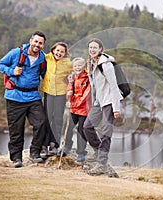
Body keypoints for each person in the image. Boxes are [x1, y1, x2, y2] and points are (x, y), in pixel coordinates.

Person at [0, 31, 48, 168]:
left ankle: (35, 153)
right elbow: (0, 64)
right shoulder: (16, 53)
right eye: (35, 41)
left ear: (43, 45)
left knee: (41, 122)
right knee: (16, 129)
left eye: (40, 43)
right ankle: (16, 158)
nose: (37, 44)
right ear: (31, 40)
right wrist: (12, 71)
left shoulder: (42, 59)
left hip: (33, 97)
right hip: (15, 96)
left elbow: (46, 76)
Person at [83, 38, 123, 175]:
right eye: (90, 48)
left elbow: (114, 86)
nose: (92, 50)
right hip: (98, 102)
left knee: (106, 132)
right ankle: (99, 152)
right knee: (87, 127)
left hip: (110, 102)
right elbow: (95, 86)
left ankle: (101, 164)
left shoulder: (106, 65)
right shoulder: (91, 64)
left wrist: (116, 108)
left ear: (100, 49)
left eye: (95, 47)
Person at [41, 42, 74, 156]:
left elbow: (78, 69)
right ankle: (43, 145)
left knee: (58, 119)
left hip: (61, 94)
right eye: (57, 50)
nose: (59, 53)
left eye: (62, 51)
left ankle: (54, 144)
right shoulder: (46, 57)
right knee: (47, 118)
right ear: (53, 50)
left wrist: (72, 76)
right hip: (48, 92)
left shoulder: (68, 63)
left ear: (65, 54)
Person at [65, 57, 91, 162]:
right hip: (73, 108)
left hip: (84, 109)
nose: (77, 68)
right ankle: (66, 146)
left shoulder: (88, 78)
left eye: (80, 65)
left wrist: (75, 103)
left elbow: (87, 94)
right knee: (67, 127)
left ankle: (81, 152)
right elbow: (69, 91)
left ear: (84, 66)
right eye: (75, 66)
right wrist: (68, 96)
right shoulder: (72, 78)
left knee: (81, 130)